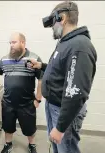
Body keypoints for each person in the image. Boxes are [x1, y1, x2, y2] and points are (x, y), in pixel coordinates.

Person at [29, 1, 97, 153]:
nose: (52, 27)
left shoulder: (79, 46)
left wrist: (60, 128)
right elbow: (62, 71)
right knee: (58, 149)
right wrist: (42, 66)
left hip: (64, 111)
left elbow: (76, 92)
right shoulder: (66, 42)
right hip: (54, 106)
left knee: (67, 149)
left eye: (53, 22)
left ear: (63, 18)